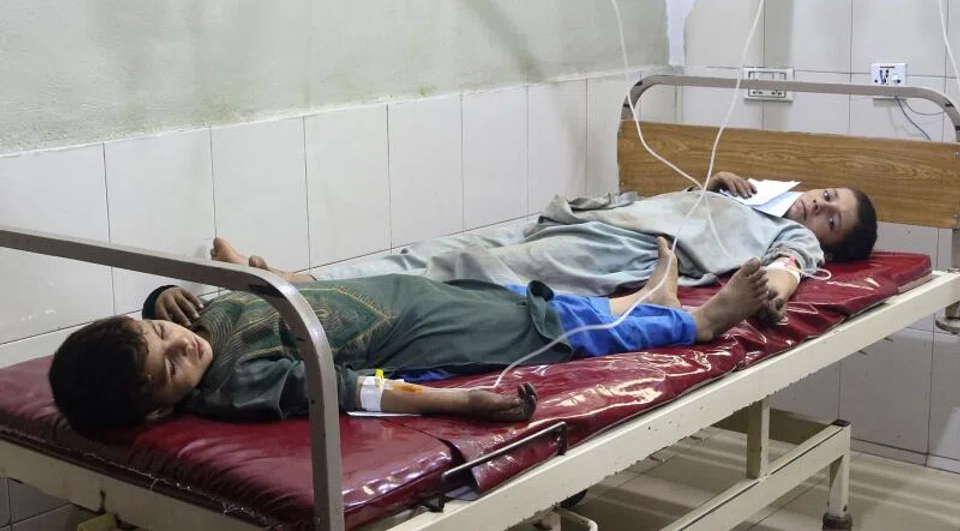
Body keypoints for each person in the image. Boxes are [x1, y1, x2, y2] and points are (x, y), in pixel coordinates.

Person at [48, 239, 774, 434]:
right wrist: (460, 403)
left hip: (407, 297)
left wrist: (158, 298)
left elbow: (164, 324)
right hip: (422, 336)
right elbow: (350, 391)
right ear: (159, 410)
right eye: (170, 367)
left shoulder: (183, 323)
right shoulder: (236, 385)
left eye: (159, 332)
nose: (182, 345)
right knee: (548, 326)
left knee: (532, 299)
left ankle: (644, 301)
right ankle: (699, 321)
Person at [298, 172, 878, 324]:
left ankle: (323, 303)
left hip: (619, 251)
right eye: (827, 197)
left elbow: (787, 271)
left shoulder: (793, 237)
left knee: (463, 269)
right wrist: (710, 187)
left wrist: (772, 293)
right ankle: (310, 280)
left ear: (829, 244)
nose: (817, 209)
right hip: (582, 219)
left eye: (831, 221)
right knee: (445, 245)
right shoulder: (754, 192)